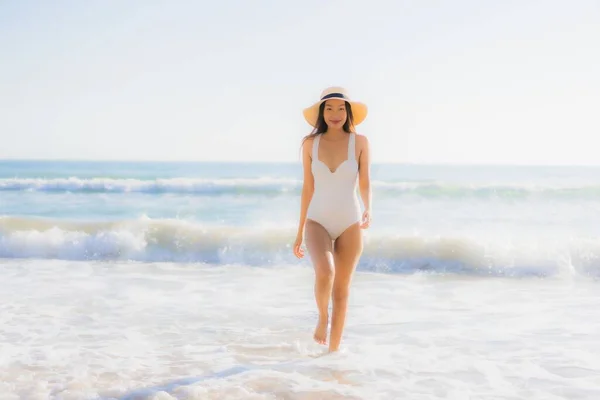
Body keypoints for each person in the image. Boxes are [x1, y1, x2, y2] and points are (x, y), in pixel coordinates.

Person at [293, 86, 372, 353]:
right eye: (329, 108)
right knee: (325, 273)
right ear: (321, 112)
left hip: (350, 221)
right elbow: (307, 188)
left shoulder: (359, 142)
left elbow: (365, 182)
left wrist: (368, 208)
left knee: (342, 291)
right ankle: (322, 317)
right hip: (318, 220)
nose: (335, 113)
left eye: (341, 108)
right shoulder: (309, 144)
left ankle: (333, 356)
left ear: (348, 112)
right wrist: (299, 230)